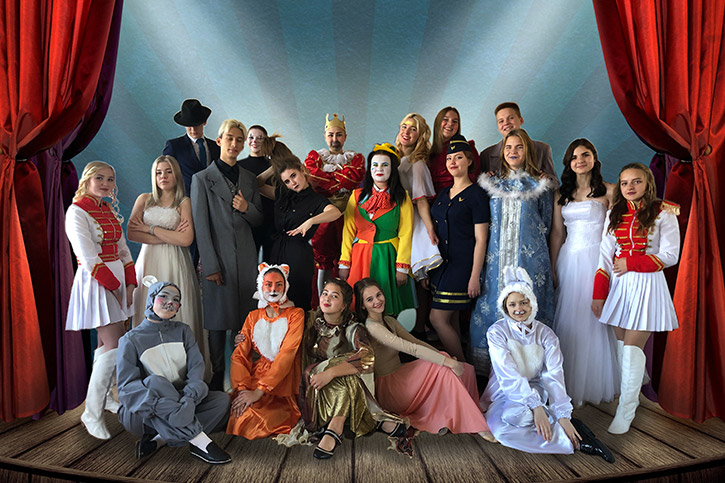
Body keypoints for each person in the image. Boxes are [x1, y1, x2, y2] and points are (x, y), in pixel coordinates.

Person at [481, 267, 614, 462]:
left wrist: (563, 415)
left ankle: (571, 432)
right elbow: (507, 373)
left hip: (536, 387)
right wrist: (536, 408)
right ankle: (572, 438)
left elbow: (554, 375)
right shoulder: (496, 332)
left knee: (512, 424)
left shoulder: (546, 334)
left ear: (532, 303)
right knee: (508, 424)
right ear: (505, 307)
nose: (518, 309)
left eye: (523, 302)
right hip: (505, 389)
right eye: (512, 304)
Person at [591, 163, 680, 434]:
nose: (630, 187)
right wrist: (599, 294)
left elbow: (670, 255)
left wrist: (631, 263)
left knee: (632, 348)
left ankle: (626, 411)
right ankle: (634, 389)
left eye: (636, 181)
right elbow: (604, 255)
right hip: (620, 287)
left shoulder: (664, 212)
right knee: (622, 346)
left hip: (648, 284)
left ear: (648, 183)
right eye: (624, 182)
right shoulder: (614, 213)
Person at [354, 278, 494, 440]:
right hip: (390, 388)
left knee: (453, 364)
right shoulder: (372, 327)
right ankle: (476, 425)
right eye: (369, 299)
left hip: (400, 375)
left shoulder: (389, 321)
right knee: (444, 368)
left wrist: (446, 358)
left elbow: (416, 342)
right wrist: (447, 362)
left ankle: (466, 414)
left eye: (378, 295)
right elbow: (411, 348)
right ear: (363, 306)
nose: (377, 301)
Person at [117, 278, 231, 464]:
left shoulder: (184, 331)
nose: (170, 302)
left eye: (176, 299)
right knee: (155, 381)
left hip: (182, 402)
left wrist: (188, 399)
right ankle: (199, 441)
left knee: (221, 401)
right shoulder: (130, 339)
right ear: (151, 299)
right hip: (144, 411)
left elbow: (196, 369)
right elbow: (126, 388)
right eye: (164, 296)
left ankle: (160, 439)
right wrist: (164, 407)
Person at [471, 128, 555, 375]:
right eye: (508, 147)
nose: (513, 151)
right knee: (492, 307)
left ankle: (530, 372)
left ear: (527, 150)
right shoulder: (491, 183)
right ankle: (492, 374)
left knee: (526, 310)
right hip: (495, 263)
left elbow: (547, 225)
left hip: (530, 263)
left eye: (519, 147)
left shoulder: (540, 184)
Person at [65, 161, 136, 440]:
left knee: (106, 345)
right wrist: (116, 288)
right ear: (87, 180)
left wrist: (130, 283)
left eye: (110, 179)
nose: (105, 184)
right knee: (114, 344)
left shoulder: (107, 209)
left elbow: (123, 250)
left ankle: (105, 398)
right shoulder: (76, 211)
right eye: (99, 178)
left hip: (117, 279)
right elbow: (88, 257)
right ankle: (91, 413)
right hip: (96, 281)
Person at [191, 119, 264, 391]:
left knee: (243, 319)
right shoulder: (202, 179)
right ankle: (216, 376)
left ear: (244, 144)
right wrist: (210, 265)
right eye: (230, 138)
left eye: (239, 140)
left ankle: (240, 374)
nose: (234, 144)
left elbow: (259, 220)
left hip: (246, 258)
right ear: (219, 141)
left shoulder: (249, 179)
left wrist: (246, 208)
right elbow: (201, 226)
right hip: (217, 259)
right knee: (218, 320)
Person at [297, 279, 406, 459]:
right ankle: (372, 420)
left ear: (344, 306)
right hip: (318, 390)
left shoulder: (354, 328)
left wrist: (330, 372)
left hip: (345, 389)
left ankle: (335, 428)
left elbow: (367, 358)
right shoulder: (310, 320)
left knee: (350, 367)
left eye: (334, 296)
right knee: (345, 368)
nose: (327, 299)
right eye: (325, 293)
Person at [549, 139, 618, 407]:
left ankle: (596, 380)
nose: (580, 160)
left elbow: (614, 232)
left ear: (594, 158)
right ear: (568, 162)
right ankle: (567, 380)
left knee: (595, 317)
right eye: (575, 157)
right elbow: (558, 233)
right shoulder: (561, 194)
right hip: (569, 259)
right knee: (570, 316)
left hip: (596, 259)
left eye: (585, 155)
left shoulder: (609, 190)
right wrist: (553, 266)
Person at [127, 156, 207, 367]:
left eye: (168, 171)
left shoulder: (184, 202)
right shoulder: (144, 200)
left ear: (176, 174)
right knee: (147, 307)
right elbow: (132, 233)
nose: (163, 176)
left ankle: (182, 369)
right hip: (148, 261)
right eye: (158, 172)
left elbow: (186, 239)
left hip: (176, 261)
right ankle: (146, 367)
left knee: (178, 309)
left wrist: (150, 229)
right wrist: (170, 236)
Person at [428, 134, 490, 362]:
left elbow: (481, 239)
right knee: (451, 320)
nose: (453, 162)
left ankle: (462, 369)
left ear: (470, 161)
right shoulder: (443, 194)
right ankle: (463, 370)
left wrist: (475, 277)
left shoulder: (477, 195)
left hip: (462, 266)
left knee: (437, 319)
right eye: (449, 158)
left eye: (459, 157)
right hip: (441, 265)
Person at [226, 264, 305, 439]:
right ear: (261, 286)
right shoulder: (253, 316)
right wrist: (243, 390)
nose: (273, 289)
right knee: (241, 414)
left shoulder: (296, 314)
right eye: (268, 284)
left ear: (285, 287)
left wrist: (259, 391)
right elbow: (240, 355)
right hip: (257, 377)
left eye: (278, 284)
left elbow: (287, 354)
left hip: (283, 380)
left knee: (260, 420)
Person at [338, 143, 415, 316]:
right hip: (359, 256)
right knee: (357, 305)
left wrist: (402, 267)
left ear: (392, 169)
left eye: (384, 165)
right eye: (375, 165)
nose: (379, 169)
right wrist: (345, 262)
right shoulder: (356, 196)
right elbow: (348, 231)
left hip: (388, 257)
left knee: (385, 305)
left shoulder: (402, 197)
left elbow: (406, 233)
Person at [259, 151, 341, 311]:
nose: (292, 183)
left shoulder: (316, 200)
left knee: (297, 297)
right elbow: (257, 184)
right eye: (287, 181)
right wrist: (274, 167)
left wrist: (310, 221)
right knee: (273, 298)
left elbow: (335, 212)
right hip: (275, 251)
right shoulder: (282, 194)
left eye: (293, 176)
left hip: (299, 255)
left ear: (302, 169)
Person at [304, 114, 366, 293]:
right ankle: (320, 301)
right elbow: (314, 177)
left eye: (339, 135)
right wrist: (340, 179)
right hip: (323, 217)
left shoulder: (356, 158)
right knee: (322, 261)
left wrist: (329, 179)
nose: (334, 139)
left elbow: (353, 178)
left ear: (345, 137)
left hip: (350, 216)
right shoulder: (315, 156)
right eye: (330, 135)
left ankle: (348, 300)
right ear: (325, 136)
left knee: (348, 259)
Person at [395, 113, 442, 280]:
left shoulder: (417, 164)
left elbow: (421, 200)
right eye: (404, 127)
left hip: (410, 218)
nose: (406, 132)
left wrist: (429, 228)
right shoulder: (393, 158)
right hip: (393, 216)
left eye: (413, 129)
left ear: (420, 136)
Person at [479, 102, 556, 181]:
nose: (506, 123)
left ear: (521, 120)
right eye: (501, 121)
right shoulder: (486, 154)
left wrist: (548, 179)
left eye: (511, 118)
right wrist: (486, 179)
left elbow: (554, 182)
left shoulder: (542, 149)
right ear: (498, 127)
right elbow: (480, 184)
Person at [163, 99, 221, 202]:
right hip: (186, 201)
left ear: (204, 122)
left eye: (196, 124)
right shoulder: (174, 146)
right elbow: (166, 175)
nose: (193, 129)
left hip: (214, 201)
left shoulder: (217, 147)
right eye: (189, 125)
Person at [240, 125, 276, 258]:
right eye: (251, 137)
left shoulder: (274, 165)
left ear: (266, 141)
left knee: (271, 263)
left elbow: (281, 193)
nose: (254, 141)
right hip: (248, 223)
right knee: (248, 263)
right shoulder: (239, 166)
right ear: (246, 140)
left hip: (272, 222)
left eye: (260, 138)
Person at [428, 106, 480, 193]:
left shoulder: (467, 149)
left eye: (454, 121)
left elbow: (476, 177)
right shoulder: (429, 154)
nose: (450, 124)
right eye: (446, 119)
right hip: (436, 200)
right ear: (438, 122)